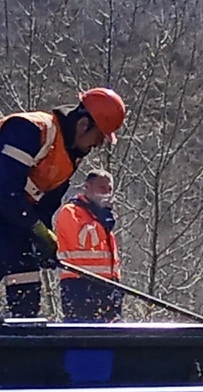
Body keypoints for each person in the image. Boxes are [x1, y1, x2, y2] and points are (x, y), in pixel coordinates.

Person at [0, 89, 126, 319]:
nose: (98, 144)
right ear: (83, 124)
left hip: (10, 221)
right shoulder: (30, 130)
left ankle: (22, 329)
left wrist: (43, 241)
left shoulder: (69, 156)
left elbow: (44, 205)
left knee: (26, 290)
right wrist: (35, 228)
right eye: (99, 136)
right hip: (7, 214)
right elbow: (4, 191)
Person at [54, 169, 123, 322]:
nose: (107, 193)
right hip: (80, 284)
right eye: (102, 188)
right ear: (87, 187)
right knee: (82, 332)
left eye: (109, 189)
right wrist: (104, 218)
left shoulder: (99, 216)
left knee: (113, 333)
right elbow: (86, 241)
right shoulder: (71, 211)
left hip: (109, 285)